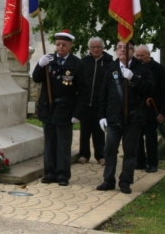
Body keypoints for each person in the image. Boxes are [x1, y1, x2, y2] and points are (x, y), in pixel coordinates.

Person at [32, 30, 88, 186]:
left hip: (66, 109)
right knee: (49, 143)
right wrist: (40, 65)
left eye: (64, 44)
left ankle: (63, 175)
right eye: (58, 44)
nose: (60, 47)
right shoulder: (48, 60)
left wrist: (77, 113)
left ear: (70, 45)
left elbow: (83, 92)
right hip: (48, 108)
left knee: (63, 144)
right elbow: (36, 79)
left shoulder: (77, 64)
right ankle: (49, 173)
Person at [97, 40, 153, 194]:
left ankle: (125, 181)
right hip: (114, 117)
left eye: (126, 47)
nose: (122, 50)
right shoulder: (111, 68)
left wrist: (134, 78)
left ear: (132, 50)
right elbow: (103, 94)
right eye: (120, 47)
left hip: (134, 118)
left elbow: (150, 88)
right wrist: (102, 116)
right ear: (116, 50)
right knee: (110, 149)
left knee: (130, 151)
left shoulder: (141, 68)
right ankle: (108, 180)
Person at [134, 44, 165, 173]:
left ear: (148, 55)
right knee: (137, 137)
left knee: (151, 138)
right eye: (137, 55)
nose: (139, 58)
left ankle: (153, 163)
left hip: (153, 108)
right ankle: (140, 162)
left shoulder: (159, 69)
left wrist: (164, 111)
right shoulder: (134, 68)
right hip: (137, 109)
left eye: (142, 55)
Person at [78, 37, 112, 166]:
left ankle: (101, 155)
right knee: (84, 131)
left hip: (100, 103)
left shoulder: (109, 63)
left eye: (98, 47)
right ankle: (84, 154)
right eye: (93, 47)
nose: (95, 49)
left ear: (103, 48)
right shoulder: (83, 62)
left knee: (99, 131)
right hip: (85, 102)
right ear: (89, 49)